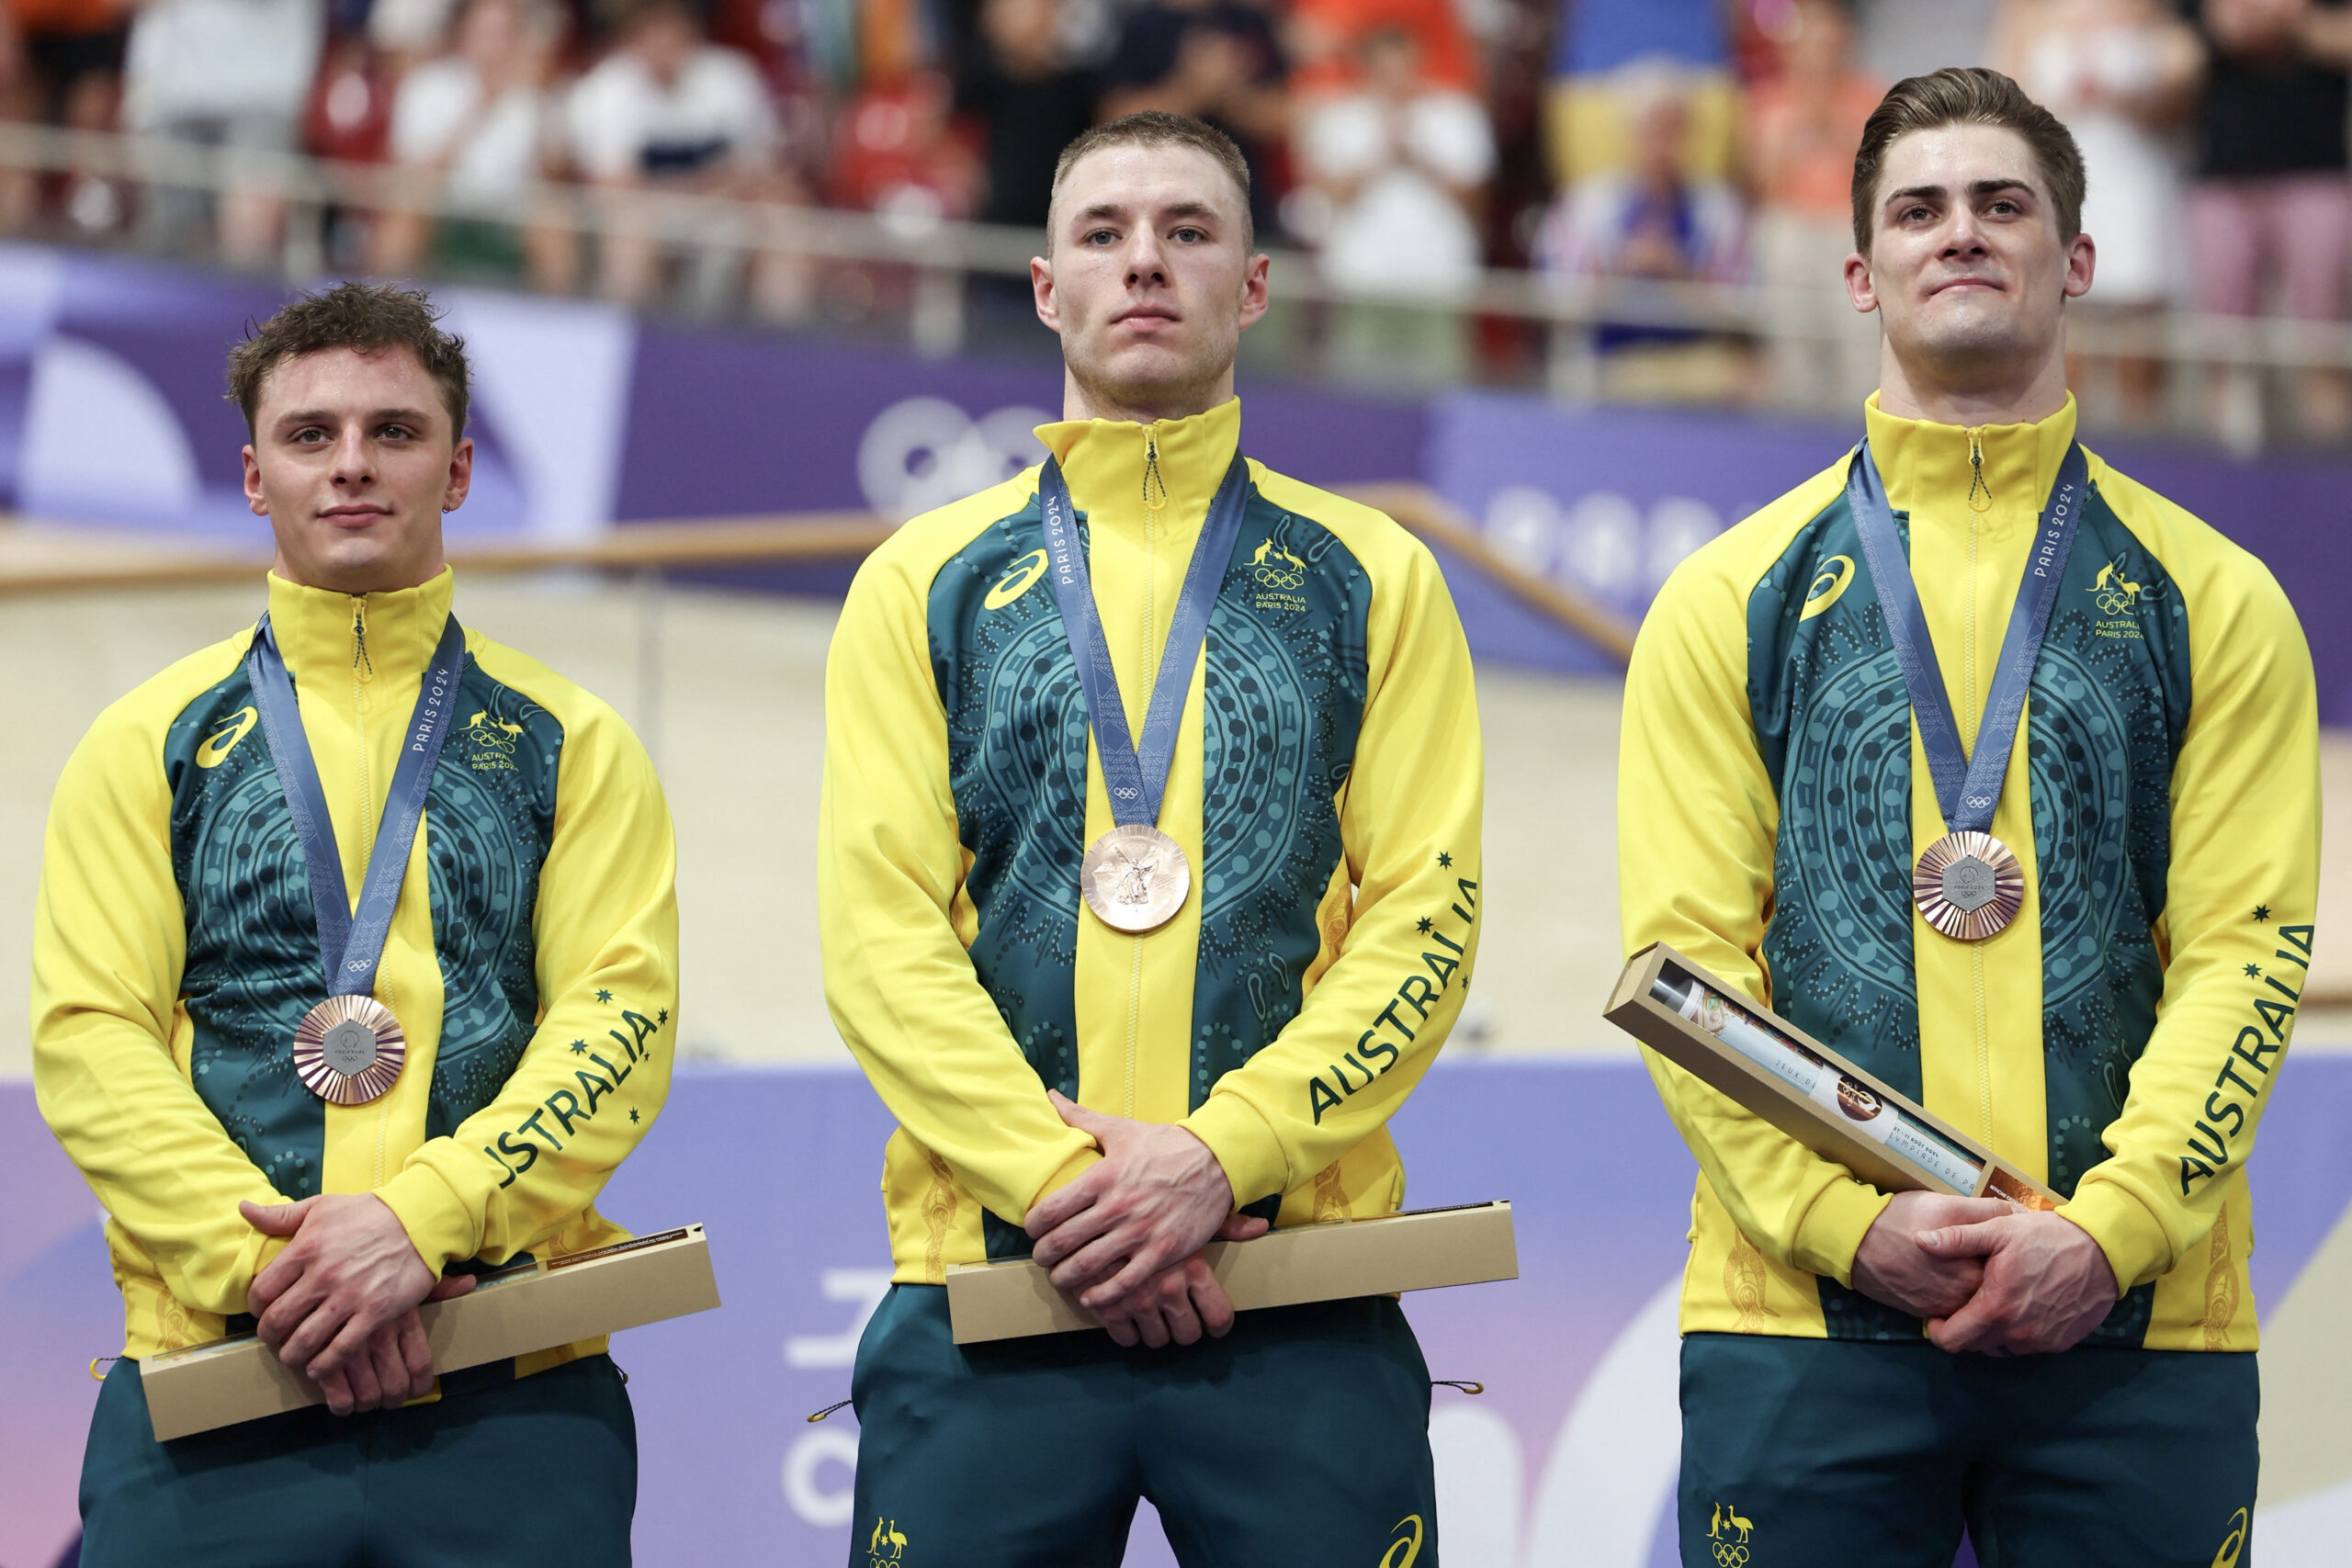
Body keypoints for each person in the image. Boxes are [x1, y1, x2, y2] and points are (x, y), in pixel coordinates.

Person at [1621, 67, 2316, 1568]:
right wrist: (1837, 1222)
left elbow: (2246, 957)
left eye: (2005, 203)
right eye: (1919, 209)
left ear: (2077, 257)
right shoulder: (1730, 596)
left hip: (2145, 1325)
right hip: (1800, 1316)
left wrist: (2109, 1232)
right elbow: (1688, 974)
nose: (1963, 234)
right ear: (1862, 270)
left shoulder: (2220, 598)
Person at [820, 111, 1481, 1566]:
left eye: (1188, 231)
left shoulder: (1379, 577)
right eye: (1105, 234)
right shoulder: (920, 581)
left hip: (1296, 1285)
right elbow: (880, 939)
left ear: (1252, 285)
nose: (1145, 264)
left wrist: (1215, 1160)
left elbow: (1424, 927)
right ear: (1048, 288)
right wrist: (1076, 1195)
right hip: (988, 1287)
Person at [33, 283, 679, 1567]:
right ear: (253, 474)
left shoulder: (574, 739)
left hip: (511, 1384)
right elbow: (92, 1041)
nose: (351, 465)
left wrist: (417, 1222)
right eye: (310, 434)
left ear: (458, 468)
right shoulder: (148, 740)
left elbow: (620, 1023)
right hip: (216, 1380)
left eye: (393, 429)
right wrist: (289, 1275)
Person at [1993, 0, 2203, 424]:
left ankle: (2143, 457)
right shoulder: (2024, 15)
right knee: (2061, 331)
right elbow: (2003, 106)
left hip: (2135, 190)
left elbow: (2184, 94)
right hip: (2057, 184)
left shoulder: (2156, 17)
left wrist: (2127, 98)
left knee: (2140, 341)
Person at [565, 0, 809, 315]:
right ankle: (629, 332)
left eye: (672, 32)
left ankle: (781, 340)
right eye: (652, 32)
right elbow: (612, 190)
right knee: (630, 229)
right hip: (648, 216)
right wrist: (702, 187)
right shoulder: (606, 89)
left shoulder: (731, 77)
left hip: (723, 208)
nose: (663, 45)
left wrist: (704, 194)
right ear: (633, 38)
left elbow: (763, 171)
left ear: (692, 35)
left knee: (783, 211)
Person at [2186, 0, 2352, 445]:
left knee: (2324, 350)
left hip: (2317, 175)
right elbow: (2173, 50)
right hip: (2222, 176)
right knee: (2225, 354)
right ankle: (2225, 479)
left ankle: (2328, 484)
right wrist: (2225, 29)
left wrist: (2294, 23)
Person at [1296, 24, 1494, 382]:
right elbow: (1329, 194)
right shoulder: (1339, 119)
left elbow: (1475, 197)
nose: (1397, 79)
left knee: (1441, 390)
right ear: (1366, 69)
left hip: (1440, 283)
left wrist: (1418, 155)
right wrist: (1381, 155)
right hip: (1360, 281)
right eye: (1385, 69)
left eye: (1405, 67)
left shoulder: (1456, 114)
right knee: (1355, 392)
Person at [375, 0, 574, 289]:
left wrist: (540, 102)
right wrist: (478, 107)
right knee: (402, 211)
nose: (494, 44)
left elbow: (555, 178)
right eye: (486, 32)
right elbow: (415, 175)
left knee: (555, 221)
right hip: (444, 206)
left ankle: (557, 326)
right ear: (463, 33)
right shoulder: (429, 85)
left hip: (512, 213)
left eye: (504, 33)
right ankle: (386, 315)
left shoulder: (536, 92)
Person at [1747, 0, 1883, 412]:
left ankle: (1860, 420)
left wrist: (1832, 130)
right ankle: (1793, 408)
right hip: (1791, 228)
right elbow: (1763, 185)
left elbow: (1879, 177)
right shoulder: (1768, 102)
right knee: (1780, 246)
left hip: (1850, 229)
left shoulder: (1872, 97)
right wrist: (1805, 127)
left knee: (1858, 333)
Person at [1100, 0, 1290, 240]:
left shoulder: (1251, 21)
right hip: (1155, 203)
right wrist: (1194, 88)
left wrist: (1227, 91)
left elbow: (1282, 117)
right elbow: (1116, 122)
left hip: (1244, 203)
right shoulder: (1137, 25)